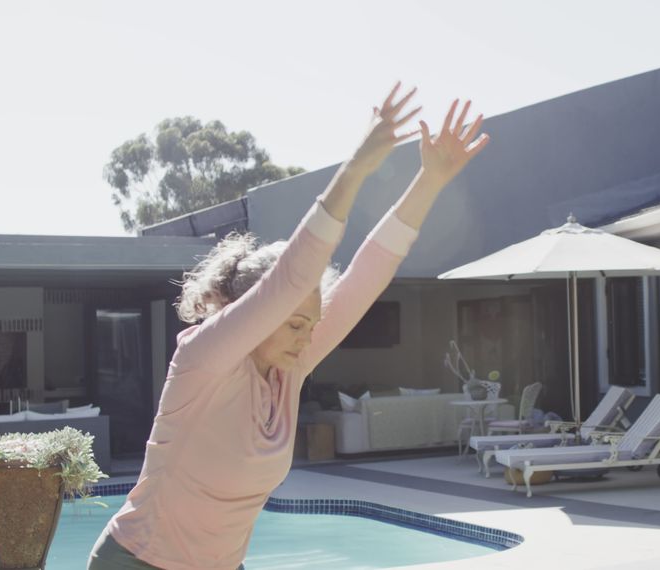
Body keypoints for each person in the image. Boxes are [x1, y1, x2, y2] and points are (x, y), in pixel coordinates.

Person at [87, 83, 489, 569]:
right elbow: (295, 271)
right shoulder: (203, 358)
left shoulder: (288, 372)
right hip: (138, 561)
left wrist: (430, 180)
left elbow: (367, 276)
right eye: (296, 323)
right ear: (252, 310)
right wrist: (357, 167)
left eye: (311, 325)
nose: (307, 338)